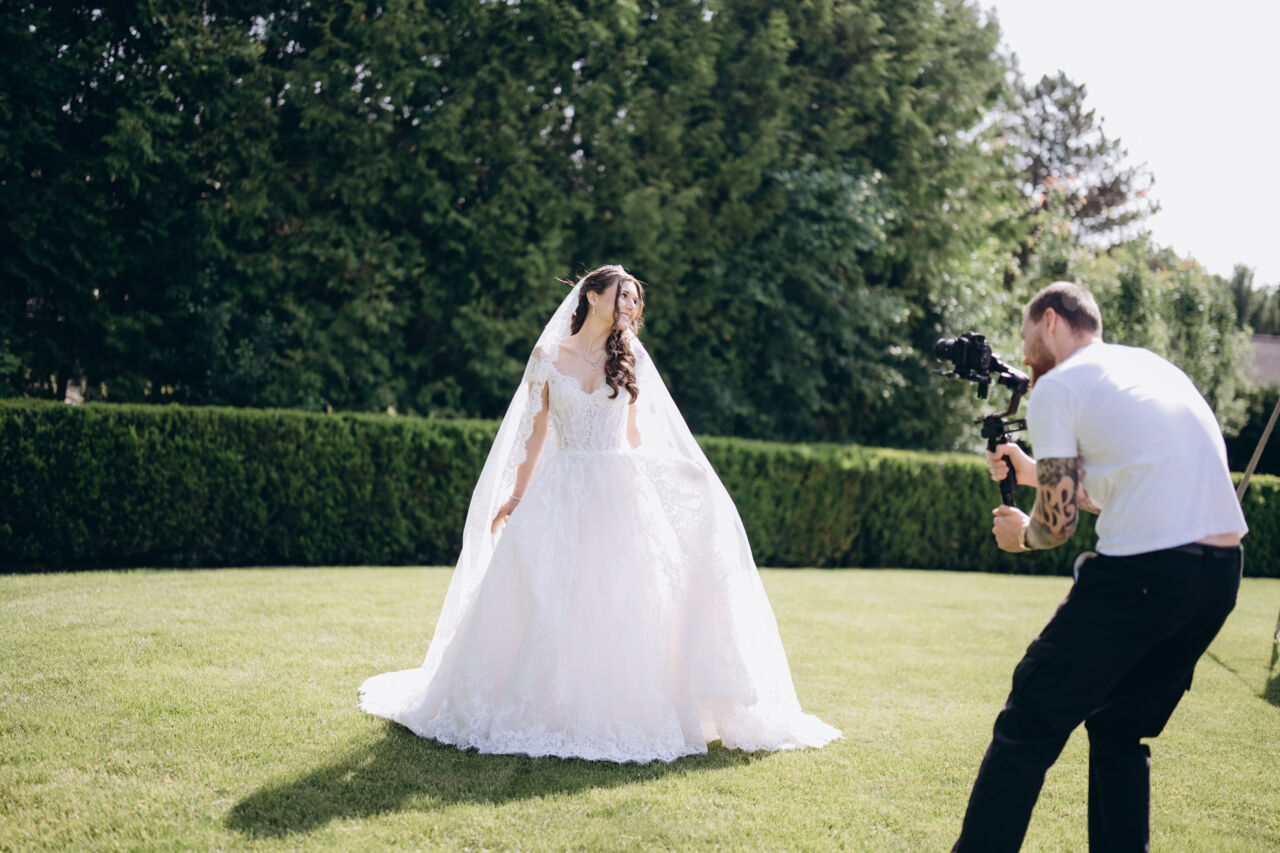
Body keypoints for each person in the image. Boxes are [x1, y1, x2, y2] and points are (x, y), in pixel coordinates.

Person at [359, 265, 840, 763]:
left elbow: (635, 436)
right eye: (623, 295)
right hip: (562, 490)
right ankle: (542, 702)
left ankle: (625, 706)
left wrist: (676, 475)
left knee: (623, 596)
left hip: (620, 493)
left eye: (635, 299)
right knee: (550, 593)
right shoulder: (548, 357)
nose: (631, 306)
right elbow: (535, 433)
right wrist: (517, 496)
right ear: (592, 296)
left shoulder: (629, 357)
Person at [953, 281, 1247, 852]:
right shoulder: (1150, 368)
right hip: (1218, 576)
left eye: (1027, 337)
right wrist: (1033, 471)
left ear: (1052, 321)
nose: (1026, 355)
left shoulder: (1059, 385)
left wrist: (1022, 536)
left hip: (1144, 575)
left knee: (1029, 719)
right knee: (1117, 728)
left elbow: (1058, 522)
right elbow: (1118, 487)